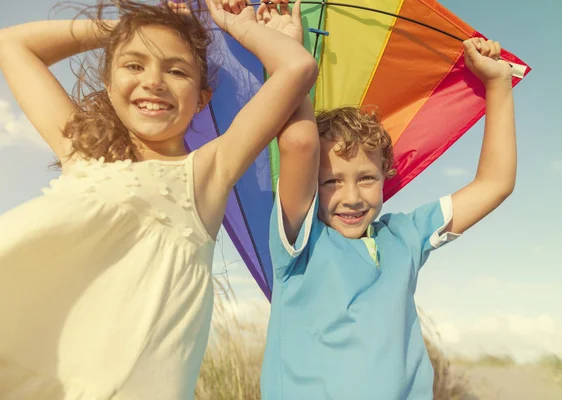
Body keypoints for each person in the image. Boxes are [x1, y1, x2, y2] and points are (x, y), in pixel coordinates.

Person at [0, 0, 317, 398]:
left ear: (202, 99)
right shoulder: (79, 151)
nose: (154, 80)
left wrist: (236, 25)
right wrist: (130, 28)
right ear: (110, 83)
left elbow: (297, 69)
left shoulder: (207, 173)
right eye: (134, 64)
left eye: (177, 70)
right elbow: (11, 44)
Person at [261, 8, 517, 399]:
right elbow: (298, 142)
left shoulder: (405, 236)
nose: (351, 197)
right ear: (311, 186)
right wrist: (288, 53)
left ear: (386, 177)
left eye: (366, 178)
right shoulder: (298, 242)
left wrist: (498, 84)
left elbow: (495, 184)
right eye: (331, 182)